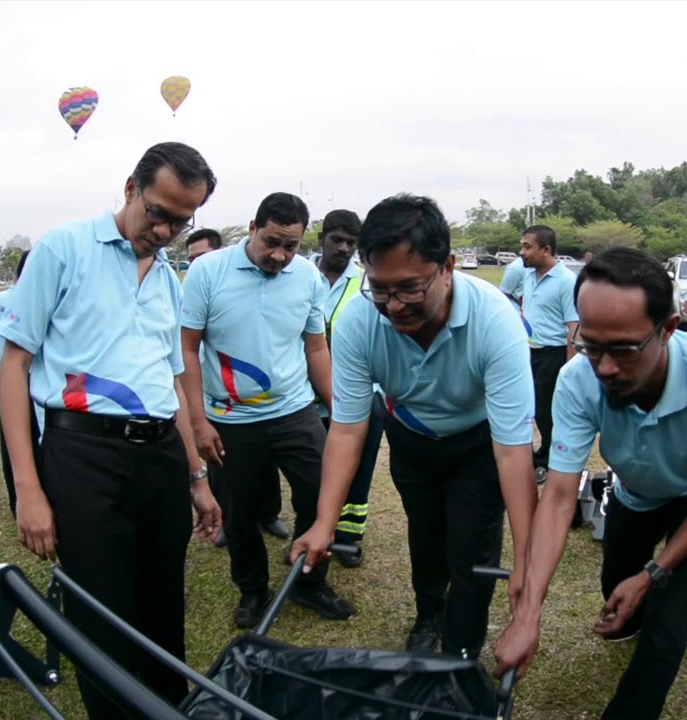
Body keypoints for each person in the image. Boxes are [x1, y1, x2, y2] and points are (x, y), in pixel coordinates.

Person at [0, 142, 222, 719]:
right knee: (101, 615)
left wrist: (195, 475)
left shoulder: (169, 277)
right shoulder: (63, 250)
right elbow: (14, 366)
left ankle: (169, 707)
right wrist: (28, 489)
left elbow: (167, 380)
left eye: (183, 219)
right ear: (130, 188)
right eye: (159, 212)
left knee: (163, 604)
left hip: (159, 459)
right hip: (83, 455)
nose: (166, 229)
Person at [494, 248, 687, 720]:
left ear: (669, 329)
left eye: (624, 349)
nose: (606, 367)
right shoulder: (578, 378)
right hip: (633, 492)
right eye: (593, 345)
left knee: (667, 615)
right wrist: (528, 611)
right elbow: (557, 497)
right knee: (615, 581)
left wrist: (654, 573)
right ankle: (629, 606)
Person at [293, 194, 538, 660]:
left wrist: (527, 560)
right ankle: (429, 614)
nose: (394, 305)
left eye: (409, 288)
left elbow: (513, 451)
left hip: (478, 446)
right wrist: (326, 522)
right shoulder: (359, 322)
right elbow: (347, 429)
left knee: (471, 551)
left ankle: (460, 648)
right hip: (412, 442)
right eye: (380, 289)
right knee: (425, 537)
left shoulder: (496, 322)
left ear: (447, 266)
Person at [181, 192, 354, 629]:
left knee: (320, 496)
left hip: (295, 413)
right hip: (230, 419)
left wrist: (340, 409)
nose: (280, 255)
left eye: (291, 246)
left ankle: (309, 583)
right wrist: (200, 423)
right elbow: (187, 348)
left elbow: (315, 347)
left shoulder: (307, 278)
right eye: (272, 242)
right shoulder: (207, 271)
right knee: (237, 512)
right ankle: (253, 590)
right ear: (253, 226)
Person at [184, 227, 290, 547]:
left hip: (256, 394)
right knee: (224, 465)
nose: (197, 264)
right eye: (191, 260)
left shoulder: (238, 283)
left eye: (202, 256)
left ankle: (268, 514)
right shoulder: (193, 287)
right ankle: (230, 519)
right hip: (211, 389)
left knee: (265, 463)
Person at [312, 209, 384, 568]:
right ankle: (315, 530)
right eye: (336, 240)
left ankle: (349, 536)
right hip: (307, 397)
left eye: (350, 243)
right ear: (321, 238)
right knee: (315, 469)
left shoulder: (367, 283)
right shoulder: (298, 277)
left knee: (359, 468)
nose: (343, 248)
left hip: (360, 393)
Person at [0, 251, 42, 518]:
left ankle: (16, 500)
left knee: (10, 438)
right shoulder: (36, 300)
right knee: (38, 432)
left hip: (0, 375)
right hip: (32, 373)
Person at [517, 225, 579, 481]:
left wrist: (570, 368)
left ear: (546, 250)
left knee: (547, 410)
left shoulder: (566, 281)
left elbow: (574, 327)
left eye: (527, 247)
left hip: (552, 355)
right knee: (528, 407)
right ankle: (534, 453)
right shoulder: (529, 276)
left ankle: (551, 459)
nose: (521, 252)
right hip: (527, 352)